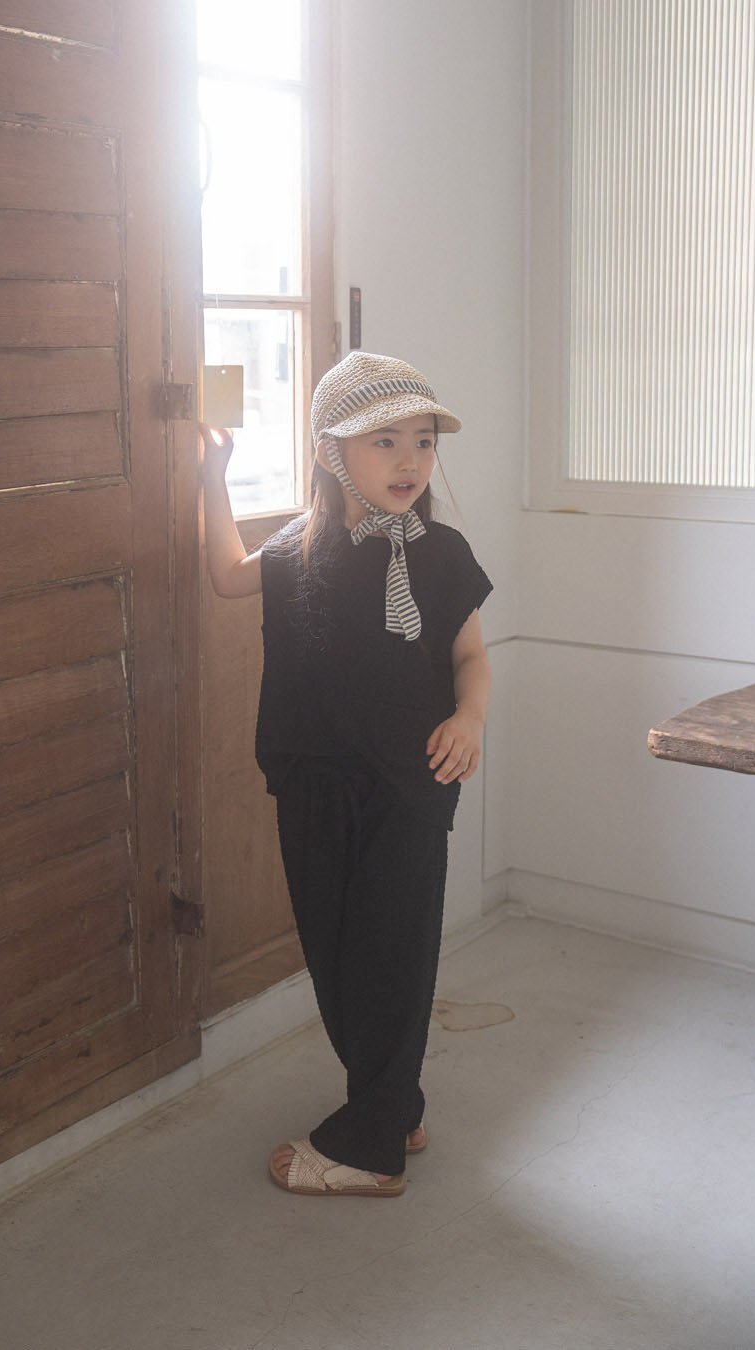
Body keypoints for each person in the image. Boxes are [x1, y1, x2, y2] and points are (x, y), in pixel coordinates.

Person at [199, 350, 493, 1198]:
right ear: (332, 452)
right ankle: (392, 1104)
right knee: (336, 957)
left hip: (410, 782)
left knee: (392, 959)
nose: (410, 461)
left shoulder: (442, 554)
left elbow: (470, 658)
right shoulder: (298, 550)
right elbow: (226, 575)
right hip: (315, 783)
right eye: (385, 441)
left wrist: (469, 718)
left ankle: (370, 1147)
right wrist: (212, 479)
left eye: (424, 441)